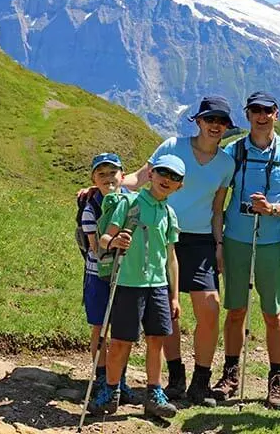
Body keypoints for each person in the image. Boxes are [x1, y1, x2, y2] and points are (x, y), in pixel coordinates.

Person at [121, 95, 235, 406]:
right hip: (160, 235)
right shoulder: (172, 146)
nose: (215, 126)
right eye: (210, 119)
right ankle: (175, 378)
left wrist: (220, 245)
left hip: (200, 240)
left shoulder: (226, 163)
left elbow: (217, 208)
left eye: (221, 122)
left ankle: (200, 382)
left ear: (227, 127)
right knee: (166, 309)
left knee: (209, 308)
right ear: (197, 121)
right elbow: (140, 178)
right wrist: (107, 185)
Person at [211, 91, 280, 410]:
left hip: (272, 242)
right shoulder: (233, 150)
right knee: (235, 310)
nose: (261, 116)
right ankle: (231, 373)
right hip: (237, 239)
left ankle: (277, 379)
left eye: (267, 110)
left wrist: (273, 210)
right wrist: (219, 244)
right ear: (248, 114)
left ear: (276, 114)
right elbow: (218, 200)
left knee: (272, 313)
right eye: (255, 110)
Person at [89, 154, 185, 418]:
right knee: (121, 342)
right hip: (128, 283)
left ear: (180, 185)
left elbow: (171, 257)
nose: (167, 180)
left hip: (158, 286)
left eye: (174, 177)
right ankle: (110, 390)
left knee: (156, 341)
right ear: (151, 174)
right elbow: (106, 237)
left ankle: (153, 392)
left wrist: (174, 297)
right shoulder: (129, 202)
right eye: (163, 173)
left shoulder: (169, 213)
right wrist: (115, 241)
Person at [77, 152, 136, 404]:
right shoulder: (91, 208)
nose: (108, 178)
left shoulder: (132, 202)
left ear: (122, 176)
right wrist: (115, 243)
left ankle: (117, 378)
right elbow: (94, 247)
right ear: (93, 179)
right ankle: (102, 376)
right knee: (100, 327)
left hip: (126, 275)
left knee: (122, 331)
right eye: (101, 174)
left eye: (112, 172)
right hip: (98, 274)